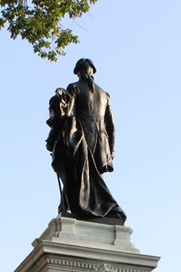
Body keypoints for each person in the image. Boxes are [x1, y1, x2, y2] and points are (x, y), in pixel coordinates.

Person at [46, 58, 126, 223]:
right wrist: (111, 150)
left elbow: (67, 114)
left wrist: (53, 138)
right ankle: (97, 210)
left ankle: (80, 208)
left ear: (79, 72)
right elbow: (111, 127)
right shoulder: (105, 95)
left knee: (77, 174)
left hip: (82, 138)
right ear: (92, 71)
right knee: (95, 179)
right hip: (102, 142)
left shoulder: (74, 88)